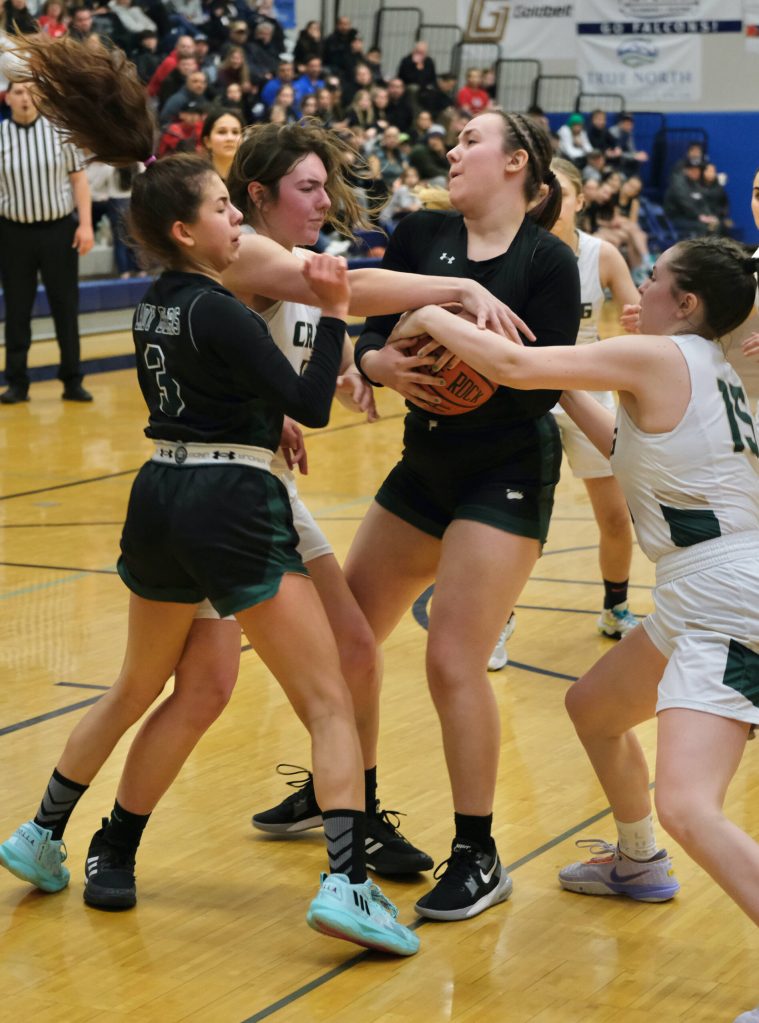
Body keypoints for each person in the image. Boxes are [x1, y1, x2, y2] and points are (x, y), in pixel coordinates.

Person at [0, 33, 420, 959]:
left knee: (153, 685)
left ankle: (43, 832)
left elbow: (245, 390)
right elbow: (307, 394)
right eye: (228, 209)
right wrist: (333, 310)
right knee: (327, 702)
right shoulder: (225, 303)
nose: (240, 222)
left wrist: (285, 380)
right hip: (231, 502)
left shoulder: (154, 299)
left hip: (159, 496)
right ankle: (347, 882)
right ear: (188, 230)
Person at [388, 234, 759, 1022]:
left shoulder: (661, 358)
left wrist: (427, 307)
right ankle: (635, 860)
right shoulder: (698, 370)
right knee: (593, 708)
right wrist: (552, 388)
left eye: (654, 278)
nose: (639, 288)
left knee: (690, 804)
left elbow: (518, 366)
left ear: (685, 304)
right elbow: (614, 443)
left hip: (727, 596)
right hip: (702, 592)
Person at [342, 111, 581, 922]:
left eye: (470, 141)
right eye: (450, 140)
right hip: (424, 463)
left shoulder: (548, 260)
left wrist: (443, 329)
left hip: (505, 469)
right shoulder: (419, 234)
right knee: (346, 639)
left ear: (515, 163)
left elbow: (541, 384)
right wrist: (377, 362)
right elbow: (369, 336)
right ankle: (356, 811)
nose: (450, 149)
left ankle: (478, 853)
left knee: (452, 660)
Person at [488, 158, 640, 670]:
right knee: (524, 516)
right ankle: (497, 620)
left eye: (563, 194)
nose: (553, 203)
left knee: (616, 515)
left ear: (578, 200)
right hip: (533, 387)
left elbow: (642, 324)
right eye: (544, 194)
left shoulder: (603, 254)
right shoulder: (516, 252)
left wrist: (641, 320)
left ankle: (616, 607)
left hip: (589, 387)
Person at [0, 79, 93, 404]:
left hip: (58, 230)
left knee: (65, 306)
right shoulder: (0, 136)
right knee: (16, 308)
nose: (25, 98)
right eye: (18, 92)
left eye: (30, 92)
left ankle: (72, 380)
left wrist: (85, 225)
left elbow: (79, 181)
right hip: (13, 233)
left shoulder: (59, 132)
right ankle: (17, 382)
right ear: (8, 98)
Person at [201, 107, 244, 181]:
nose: (230, 138)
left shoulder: (252, 177)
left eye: (235, 132)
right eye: (222, 132)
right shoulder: (196, 179)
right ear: (207, 141)